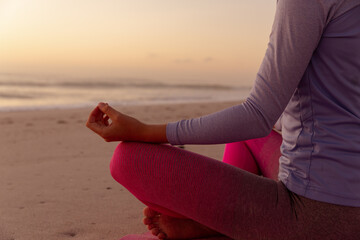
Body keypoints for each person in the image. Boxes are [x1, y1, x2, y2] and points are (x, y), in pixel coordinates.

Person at [86, 0, 360, 239]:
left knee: (128, 160)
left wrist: (143, 131)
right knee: (255, 136)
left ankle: (219, 223)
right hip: (346, 196)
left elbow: (256, 115)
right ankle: (220, 222)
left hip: (320, 216)